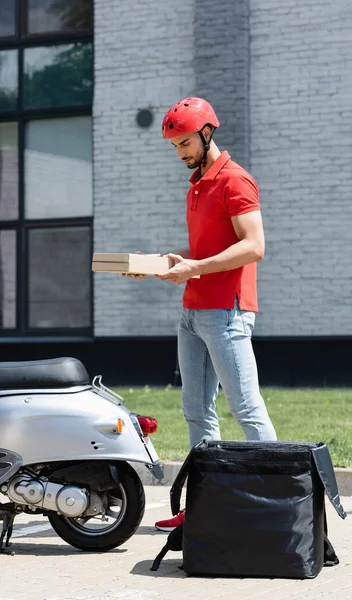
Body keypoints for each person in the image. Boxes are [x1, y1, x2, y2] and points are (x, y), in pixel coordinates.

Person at [128, 97, 277, 532]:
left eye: (185, 143)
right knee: (196, 410)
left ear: (208, 133)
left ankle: (281, 503)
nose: (181, 153)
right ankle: (205, 505)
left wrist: (196, 268)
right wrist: (170, 262)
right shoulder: (197, 185)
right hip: (192, 311)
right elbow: (210, 251)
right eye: (175, 146)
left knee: (246, 408)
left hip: (226, 312)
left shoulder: (236, 180)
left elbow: (254, 246)